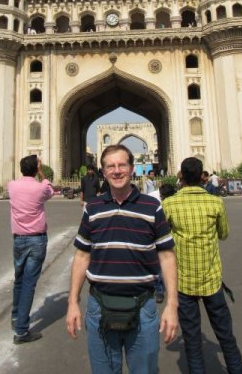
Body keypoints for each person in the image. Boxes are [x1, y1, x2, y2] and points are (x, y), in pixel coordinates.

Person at [66, 144, 179, 373]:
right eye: (110, 166)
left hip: (142, 307)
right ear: (103, 172)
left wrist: (172, 305)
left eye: (122, 165)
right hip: (99, 305)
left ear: (131, 168)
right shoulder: (93, 208)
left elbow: (167, 256)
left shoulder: (152, 206)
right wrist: (73, 302)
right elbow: (81, 256)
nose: (116, 171)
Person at [163, 157, 242, 374]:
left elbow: (161, 238)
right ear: (203, 176)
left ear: (180, 176)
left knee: (191, 341)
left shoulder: (169, 204)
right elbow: (224, 234)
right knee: (225, 336)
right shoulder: (215, 202)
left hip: (183, 283)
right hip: (212, 280)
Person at [7, 154, 54, 344]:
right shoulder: (41, 187)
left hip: (18, 240)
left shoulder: (12, 186)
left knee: (19, 279)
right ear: (36, 169)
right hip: (36, 240)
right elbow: (50, 189)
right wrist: (42, 172)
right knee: (28, 283)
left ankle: (16, 317)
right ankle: (21, 331)